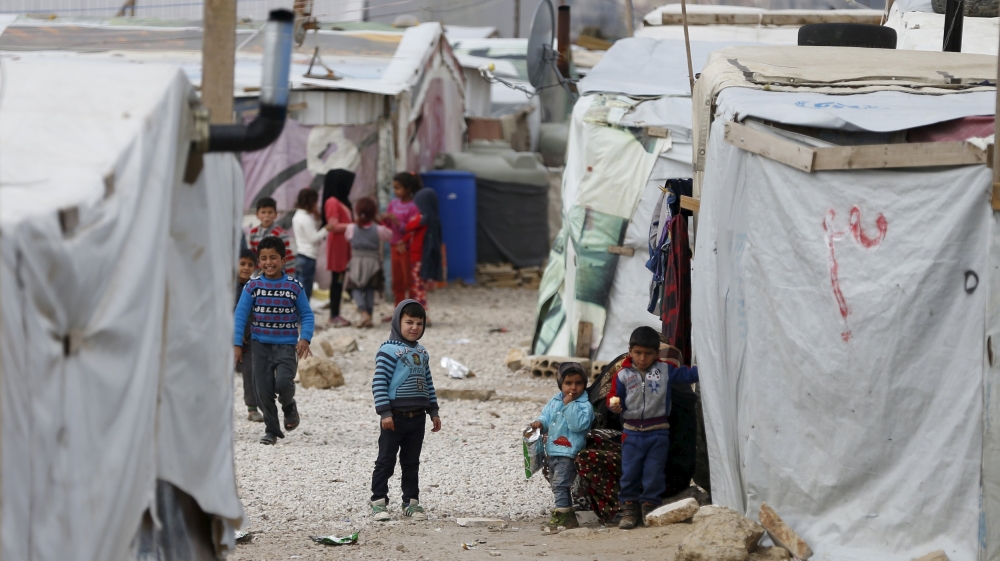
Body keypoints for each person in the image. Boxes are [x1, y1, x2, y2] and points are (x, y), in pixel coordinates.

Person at [607, 326, 698, 529]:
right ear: (630, 351)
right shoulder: (622, 375)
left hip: (658, 432)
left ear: (657, 354)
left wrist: (707, 368)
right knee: (630, 472)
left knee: (654, 472)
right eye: (638, 352)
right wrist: (614, 404)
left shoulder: (664, 371)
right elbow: (614, 395)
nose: (642, 358)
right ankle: (629, 510)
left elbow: (686, 375)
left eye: (648, 354)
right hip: (631, 433)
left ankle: (650, 508)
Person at [233, 236, 315, 445]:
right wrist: (236, 345)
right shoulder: (252, 286)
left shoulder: (294, 286)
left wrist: (305, 338)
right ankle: (272, 430)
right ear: (259, 261)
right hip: (259, 345)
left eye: (273, 258)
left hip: (286, 345)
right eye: (263, 258)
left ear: (283, 259)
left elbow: (306, 314)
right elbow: (240, 316)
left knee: (283, 383)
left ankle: (289, 407)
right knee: (263, 390)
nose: (268, 262)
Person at [369, 299, 441, 522]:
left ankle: (411, 502)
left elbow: (428, 382)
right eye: (409, 322)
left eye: (419, 323)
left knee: (411, 462)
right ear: (397, 322)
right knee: (386, 461)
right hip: (395, 418)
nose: (414, 327)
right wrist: (385, 413)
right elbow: (379, 383)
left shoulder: (422, 352)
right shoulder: (389, 351)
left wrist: (434, 411)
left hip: (417, 419)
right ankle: (378, 501)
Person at [530, 362, 594, 530]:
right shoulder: (555, 400)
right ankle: (568, 515)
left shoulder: (583, 405)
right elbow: (546, 416)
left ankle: (562, 515)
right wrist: (540, 424)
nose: (573, 388)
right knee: (556, 483)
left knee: (560, 483)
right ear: (560, 384)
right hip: (552, 450)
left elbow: (579, 425)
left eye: (578, 383)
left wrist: (569, 405)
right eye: (568, 383)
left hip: (569, 452)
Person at [344, 197, 392, 328]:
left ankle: (364, 313)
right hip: (373, 262)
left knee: (355, 287)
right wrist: (380, 221)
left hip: (356, 261)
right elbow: (389, 234)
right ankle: (369, 316)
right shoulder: (378, 229)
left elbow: (347, 237)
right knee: (370, 289)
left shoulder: (352, 227)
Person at [383, 173, 421, 310]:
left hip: (406, 247)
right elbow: (386, 226)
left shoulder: (414, 206)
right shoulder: (393, 204)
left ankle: (411, 309)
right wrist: (384, 219)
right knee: (397, 280)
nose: (395, 191)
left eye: (398, 188)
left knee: (408, 280)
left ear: (408, 189)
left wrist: (397, 223)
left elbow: (413, 228)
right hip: (394, 246)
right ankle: (398, 309)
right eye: (394, 187)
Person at [403, 188, 443, 317]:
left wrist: (418, 217)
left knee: (418, 287)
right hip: (425, 258)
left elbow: (409, 226)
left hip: (418, 258)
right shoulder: (434, 220)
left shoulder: (422, 219)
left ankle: (423, 313)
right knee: (420, 286)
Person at [292, 188, 335, 301]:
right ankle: (302, 317)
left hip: (301, 255)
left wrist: (316, 220)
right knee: (306, 290)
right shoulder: (305, 219)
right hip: (308, 256)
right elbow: (313, 238)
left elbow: (309, 233)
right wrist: (326, 229)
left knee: (299, 289)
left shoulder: (297, 216)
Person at [235, 248, 263, 423]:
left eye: (250, 265)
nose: (246, 268)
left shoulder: (254, 287)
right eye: (242, 264)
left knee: (250, 371)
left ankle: (252, 408)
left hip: (248, 338)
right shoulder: (226, 287)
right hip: (225, 339)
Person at [323, 173, 353, 328]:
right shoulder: (333, 202)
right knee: (337, 279)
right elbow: (333, 225)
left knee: (339, 279)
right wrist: (352, 226)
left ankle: (336, 313)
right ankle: (334, 314)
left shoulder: (340, 201)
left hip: (343, 244)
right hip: (337, 245)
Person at [248, 197, 295, 277]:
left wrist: (290, 277)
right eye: (263, 212)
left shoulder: (281, 234)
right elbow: (253, 256)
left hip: (278, 276)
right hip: (260, 276)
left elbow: (288, 257)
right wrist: (255, 277)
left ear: (276, 214)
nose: (266, 215)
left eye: (270, 212)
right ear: (257, 214)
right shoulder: (253, 233)